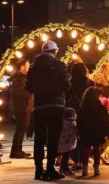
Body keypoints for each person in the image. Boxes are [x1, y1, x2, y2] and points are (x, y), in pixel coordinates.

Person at [26, 40, 71, 181]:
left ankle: (38, 170)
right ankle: (50, 169)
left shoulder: (33, 67)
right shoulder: (60, 65)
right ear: (55, 51)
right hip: (56, 106)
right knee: (53, 139)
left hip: (40, 106)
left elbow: (29, 87)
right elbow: (66, 85)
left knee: (39, 139)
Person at [77, 87, 109, 177]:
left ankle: (85, 169)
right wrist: (107, 132)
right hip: (97, 131)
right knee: (97, 150)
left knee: (86, 150)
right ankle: (96, 169)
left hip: (86, 131)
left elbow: (79, 120)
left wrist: (78, 130)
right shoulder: (100, 107)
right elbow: (105, 120)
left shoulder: (83, 107)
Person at [65, 61, 92, 170]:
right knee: (85, 138)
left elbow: (66, 98)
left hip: (73, 113)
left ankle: (76, 161)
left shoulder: (69, 83)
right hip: (86, 113)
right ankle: (83, 161)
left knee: (73, 138)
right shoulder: (90, 83)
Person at [9, 59, 34, 159]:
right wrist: (32, 92)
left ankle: (19, 149)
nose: (29, 67)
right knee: (20, 129)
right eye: (27, 65)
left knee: (22, 129)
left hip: (25, 107)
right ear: (22, 67)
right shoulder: (19, 78)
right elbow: (19, 93)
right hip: (21, 107)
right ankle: (15, 151)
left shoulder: (23, 78)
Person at [57, 107, 78, 176]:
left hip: (62, 143)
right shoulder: (73, 123)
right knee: (66, 157)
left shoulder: (62, 123)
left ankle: (63, 168)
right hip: (69, 144)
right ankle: (64, 169)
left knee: (65, 157)